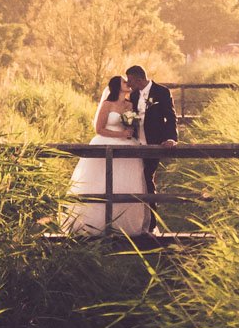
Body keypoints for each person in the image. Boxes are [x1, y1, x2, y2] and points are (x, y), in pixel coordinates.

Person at [66, 75, 149, 235]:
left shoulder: (130, 104)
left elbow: (133, 124)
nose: (128, 83)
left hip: (127, 144)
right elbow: (99, 129)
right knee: (99, 181)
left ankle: (122, 224)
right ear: (117, 86)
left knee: (124, 182)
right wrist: (121, 135)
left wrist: (130, 131)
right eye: (125, 82)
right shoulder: (107, 104)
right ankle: (93, 223)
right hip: (106, 142)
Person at [123, 65, 178, 194]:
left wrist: (171, 138)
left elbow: (170, 117)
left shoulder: (162, 92)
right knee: (138, 178)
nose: (128, 84)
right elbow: (130, 118)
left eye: (130, 80)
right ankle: (145, 211)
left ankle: (151, 211)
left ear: (139, 80)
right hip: (135, 143)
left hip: (154, 142)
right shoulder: (133, 95)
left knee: (147, 176)